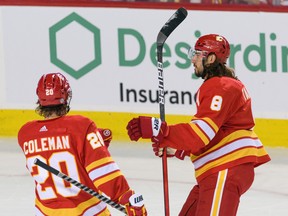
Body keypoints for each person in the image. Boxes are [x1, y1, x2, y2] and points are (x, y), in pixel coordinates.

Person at [126, 34, 271, 216]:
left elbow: (201, 133)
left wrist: (160, 129)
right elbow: (216, 133)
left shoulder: (221, 86)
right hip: (217, 170)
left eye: (197, 54)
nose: (192, 59)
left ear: (210, 59)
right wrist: (178, 148)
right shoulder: (223, 85)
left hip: (225, 169)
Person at [18, 72, 147, 216]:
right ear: (66, 96)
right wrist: (126, 198)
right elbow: (103, 172)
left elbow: (52, 144)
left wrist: (90, 140)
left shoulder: (25, 134)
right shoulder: (82, 127)